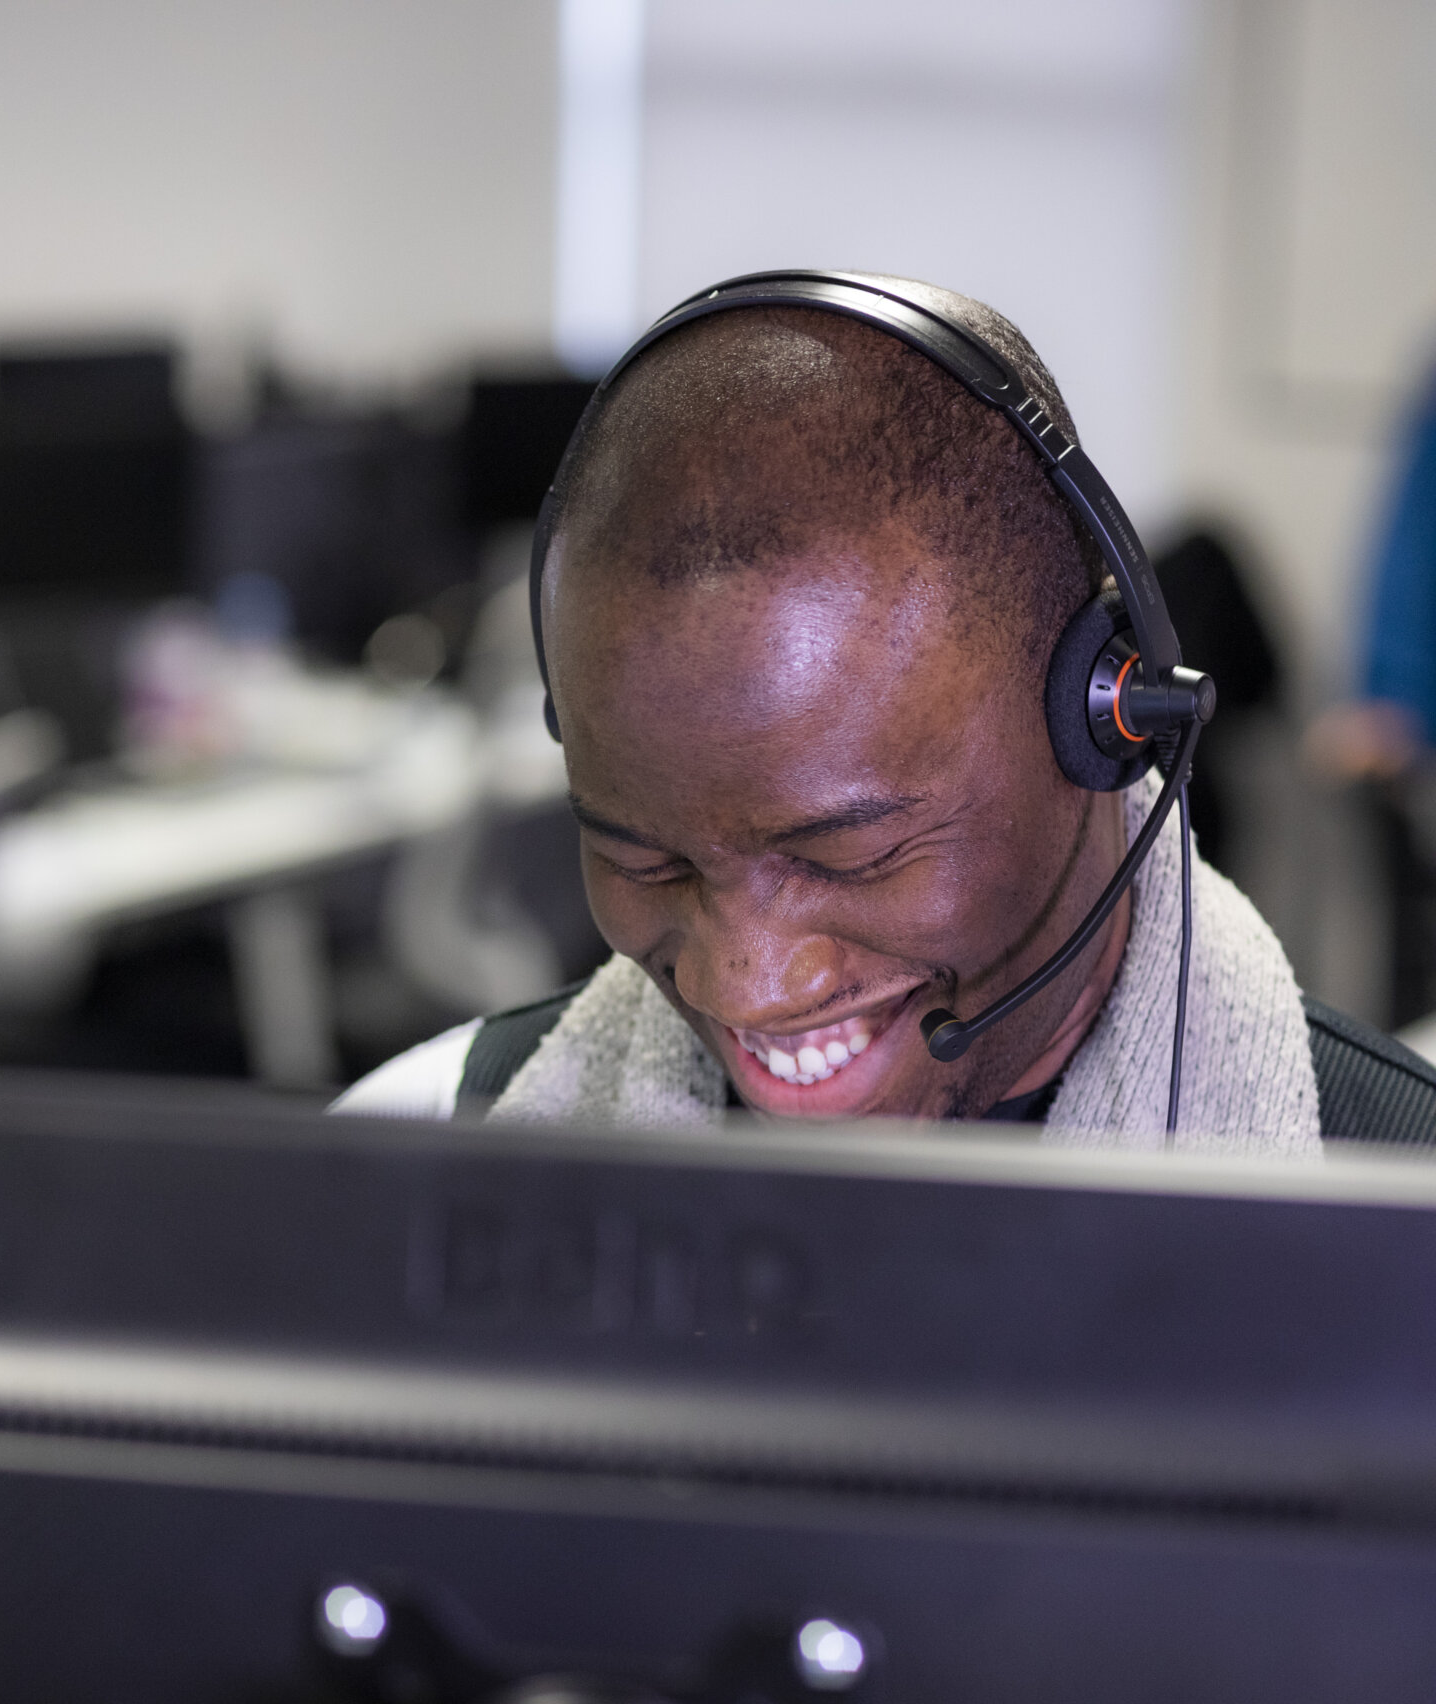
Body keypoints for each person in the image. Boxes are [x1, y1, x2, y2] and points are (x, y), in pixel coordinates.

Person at [339, 274, 1436, 1151]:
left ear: (1104, 720)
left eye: (851, 855)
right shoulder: (419, 1165)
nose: (747, 988)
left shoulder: (1392, 1223)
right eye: (645, 862)